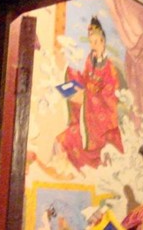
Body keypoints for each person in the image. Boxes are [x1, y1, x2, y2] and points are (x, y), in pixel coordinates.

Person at [55, 16, 124, 171]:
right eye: (91, 42)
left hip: (101, 120)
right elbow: (85, 80)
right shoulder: (89, 60)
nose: (94, 46)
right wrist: (72, 74)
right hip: (86, 113)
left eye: (96, 42)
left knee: (73, 140)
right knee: (62, 140)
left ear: (103, 42)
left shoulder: (110, 68)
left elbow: (109, 94)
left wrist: (88, 97)